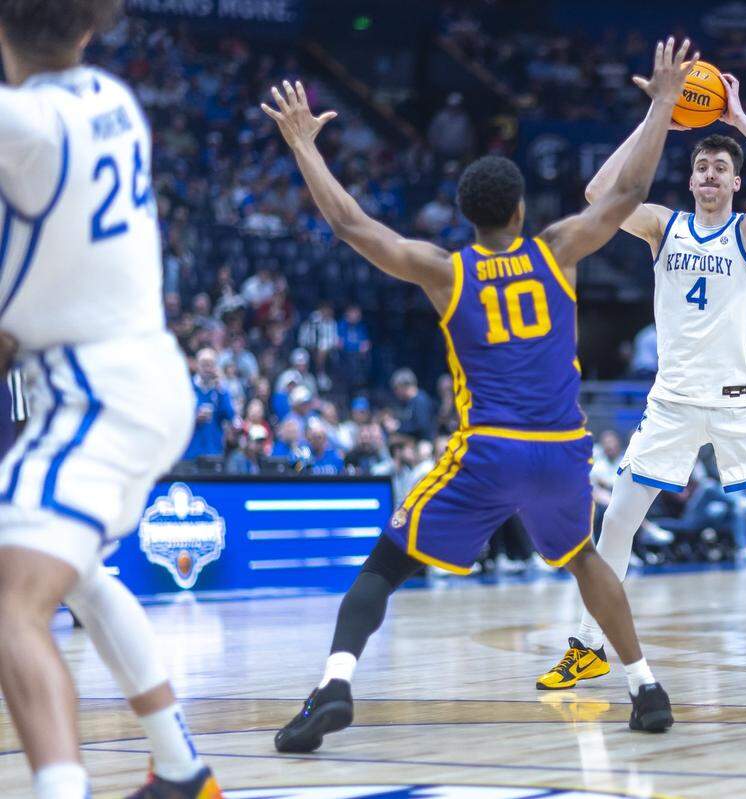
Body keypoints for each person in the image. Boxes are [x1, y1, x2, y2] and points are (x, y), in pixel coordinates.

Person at [263, 38, 697, 748]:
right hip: (561, 450)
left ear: (468, 215)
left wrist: (304, 143)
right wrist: (661, 105)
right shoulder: (556, 249)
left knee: (385, 564)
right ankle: (646, 688)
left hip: (489, 448)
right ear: (521, 209)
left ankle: (333, 686)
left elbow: (348, 223)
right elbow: (624, 194)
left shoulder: (444, 270)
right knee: (583, 557)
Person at [539, 67, 746, 695]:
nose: (710, 175)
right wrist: (659, 111)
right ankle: (588, 646)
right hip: (673, 403)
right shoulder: (663, 225)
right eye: (702, 167)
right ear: (691, 179)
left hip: (741, 404)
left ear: (737, 183)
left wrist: (738, 119)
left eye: (721, 168)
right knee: (618, 524)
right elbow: (597, 191)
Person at [0, 3, 219, 796]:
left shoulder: (22, 127)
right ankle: (182, 767)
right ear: (89, 30)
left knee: (10, 601)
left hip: (89, 392)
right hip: (146, 375)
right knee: (81, 572)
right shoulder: (114, 102)